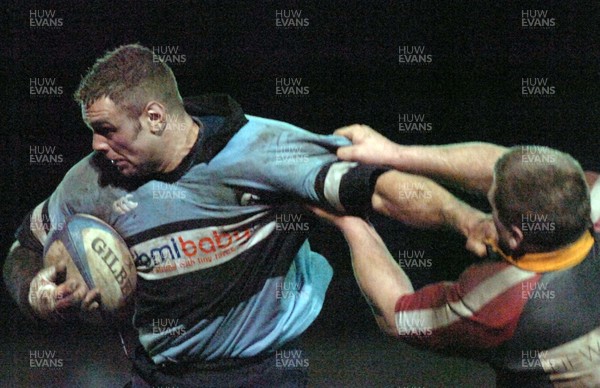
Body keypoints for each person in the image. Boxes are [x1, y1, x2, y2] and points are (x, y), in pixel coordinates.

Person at [2, 45, 494, 387]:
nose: (96, 145)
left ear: (154, 117)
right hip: (155, 375)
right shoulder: (91, 181)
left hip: (260, 374)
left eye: (107, 129)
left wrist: (465, 219)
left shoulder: (260, 150)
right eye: (92, 131)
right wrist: (36, 291)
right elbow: (23, 250)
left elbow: (381, 188)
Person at [315, 124, 600, 386]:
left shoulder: (498, 305)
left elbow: (396, 314)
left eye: (493, 207)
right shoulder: (585, 200)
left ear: (515, 236)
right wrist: (394, 153)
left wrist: (350, 222)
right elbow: (519, 171)